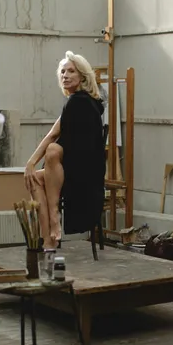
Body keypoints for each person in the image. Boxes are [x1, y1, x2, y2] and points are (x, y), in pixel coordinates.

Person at [24, 51, 106, 249]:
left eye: (71, 71)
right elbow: (53, 133)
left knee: (52, 151)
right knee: (34, 176)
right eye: (62, 71)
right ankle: (48, 239)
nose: (65, 75)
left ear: (82, 76)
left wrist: (32, 162)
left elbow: (54, 139)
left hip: (83, 176)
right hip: (69, 172)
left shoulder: (79, 102)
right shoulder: (80, 101)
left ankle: (53, 218)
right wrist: (30, 164)